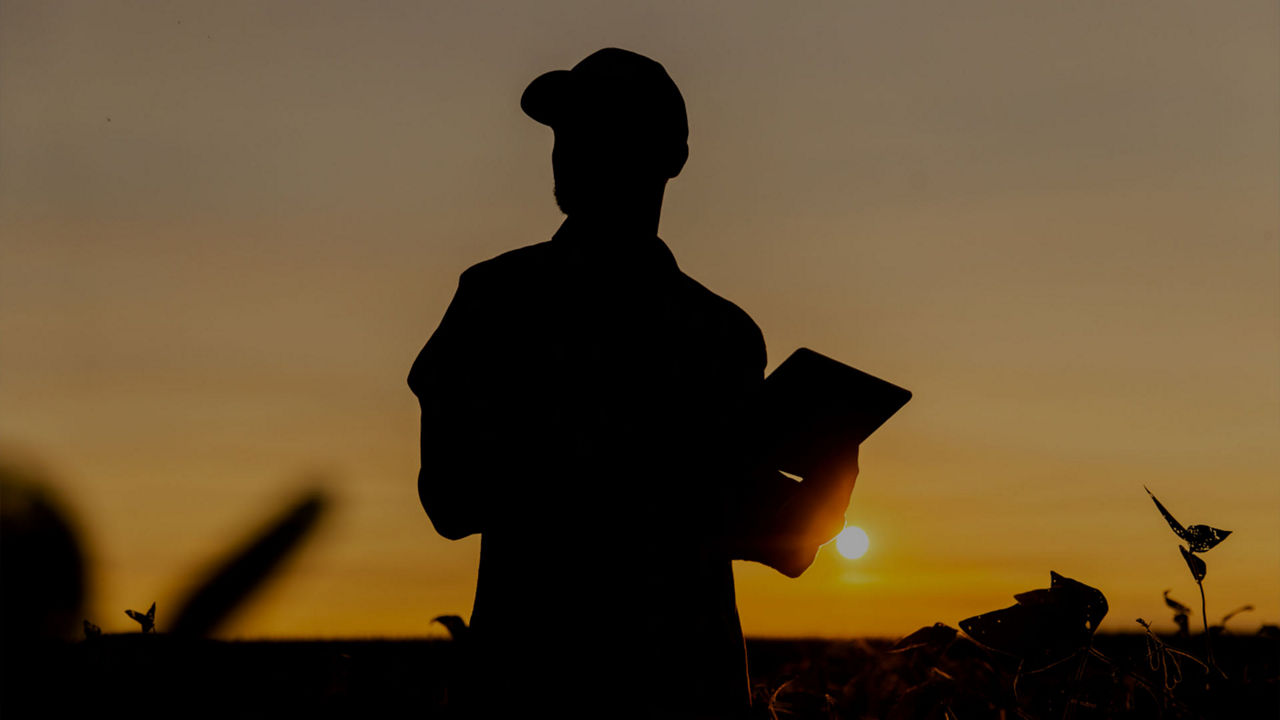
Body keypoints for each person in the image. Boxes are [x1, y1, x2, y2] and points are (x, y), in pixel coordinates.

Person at [408, 48, 860, 719]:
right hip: (540, 690)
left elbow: (782, 544)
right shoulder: (498, 300)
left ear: (667, 156)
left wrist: (828, 482)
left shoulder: (721, 334)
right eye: (567, 132)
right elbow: (451, 495)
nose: (571, 151)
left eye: (599, 132)